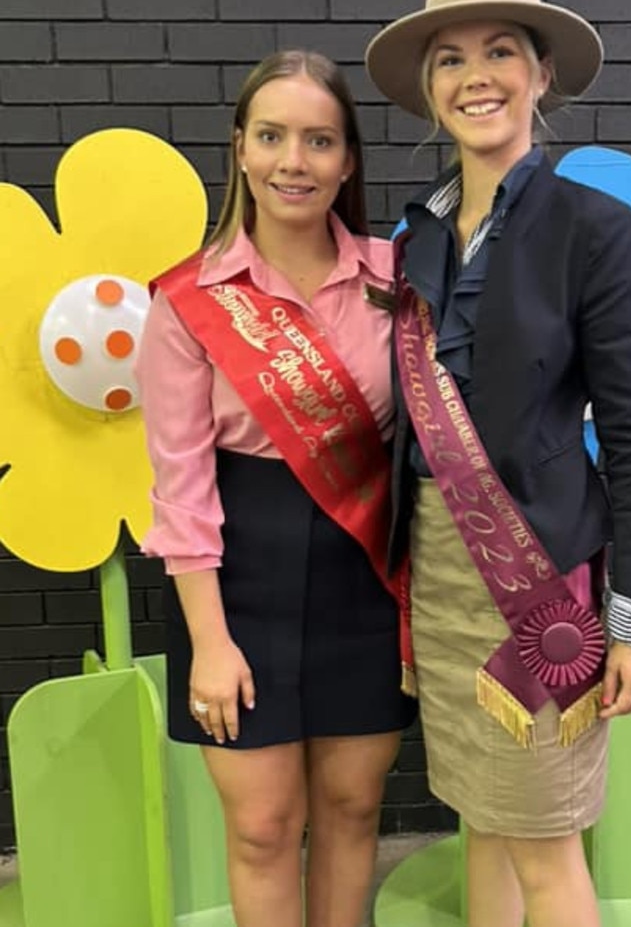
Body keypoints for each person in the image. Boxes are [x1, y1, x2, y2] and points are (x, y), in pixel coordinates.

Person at [365, 0, 631, 927]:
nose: (475, 77)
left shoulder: (595, 227)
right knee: (481, 819)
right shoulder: (412, 238)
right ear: (429, 88)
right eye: (450, 59)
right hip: (441, 579)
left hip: (536, 587)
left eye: (499, 50)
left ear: (541, 75)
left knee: (545, 845)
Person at [135, 49, 416, 927]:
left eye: (319, 140)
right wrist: (209, 644)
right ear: (241, 151)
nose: (295, 160)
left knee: (351, 811)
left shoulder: (397, 282)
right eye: (273, 136)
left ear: (348, 160)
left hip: (362, 567)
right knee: (262, 827)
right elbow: (180, 488)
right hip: (235, 579)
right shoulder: (189, 301)